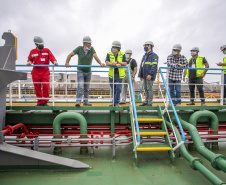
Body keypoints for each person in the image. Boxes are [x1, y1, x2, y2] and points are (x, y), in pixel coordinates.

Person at [65, 36, 105, 107]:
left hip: (88, 71)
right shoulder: (79, 49)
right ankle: (78, 101)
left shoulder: (91, 49)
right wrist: (67, 62)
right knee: (80, 86)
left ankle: (85, 101)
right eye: (88, 43)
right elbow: (70, 55)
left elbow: (95, 56)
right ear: (84, 43)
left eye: (90, 43)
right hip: (80, 71)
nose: (90, 45)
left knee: (86, 87)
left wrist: (100, 63)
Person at [27, 36, 58, 106]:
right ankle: (39, 101)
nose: (42, 45)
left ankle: (44, 101)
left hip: (45, 71)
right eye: (40, 44)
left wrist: (55, 62)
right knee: (37, 86)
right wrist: (29, 62)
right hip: (36, 71)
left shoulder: (47, 51)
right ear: (36, 44)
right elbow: (30, 59)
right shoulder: (32, 51)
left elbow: (52, 57)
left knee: (46, 86)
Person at [105, 41, 127, 106]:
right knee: (113, 89)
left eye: (114, 47)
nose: (112, 48)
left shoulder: (122, 54)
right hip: (112, 75)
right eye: (112, 47)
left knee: (118, 89)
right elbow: (107, 62)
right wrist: (113, 63)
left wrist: (118, 62)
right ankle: (113, 103)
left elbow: (125, 63)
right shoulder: (109, 54)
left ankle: (116, 102)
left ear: (117, 48)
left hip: (119, 75)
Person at [138, 41, 158, 106]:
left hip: (149, 75)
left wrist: (150, 74)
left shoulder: (154, 55)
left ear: (150, 46)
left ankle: (149, 102)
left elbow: (154, 66)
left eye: (146, 45)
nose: (145, 47)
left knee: (149, 88)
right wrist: (140, 75)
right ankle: (146, 101)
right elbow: (142, 65)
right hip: (144, 75)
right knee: (146, 88)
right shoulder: (145, 56)